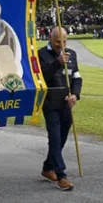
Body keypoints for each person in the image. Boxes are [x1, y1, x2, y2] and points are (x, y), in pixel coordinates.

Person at [37, 26, 82, 191]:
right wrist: (58, 62)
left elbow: (77, 77)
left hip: (66, 103)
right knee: (55, 139)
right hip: (50, 103)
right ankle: (61, 176)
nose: (61, 45)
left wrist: (75, 94)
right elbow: (42, 76)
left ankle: (47, 168)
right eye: (57, 42)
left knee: (61, 140)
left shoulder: (72, 54)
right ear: (50, 37)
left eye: (64, 41)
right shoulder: (41, 54)